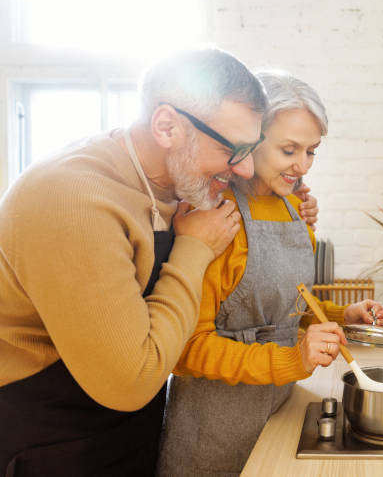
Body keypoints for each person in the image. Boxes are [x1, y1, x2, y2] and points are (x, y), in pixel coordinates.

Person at [0, 47, 319, 476]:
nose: (244, 170)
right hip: (53, 441)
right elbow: (130, 381)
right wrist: (194, 249)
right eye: (233, 150)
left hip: (132, 430)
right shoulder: (72, 199)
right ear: (166, 126)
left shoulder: (173, 182)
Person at [157, 71, 383, 476]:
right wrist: (291, 358)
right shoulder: (214, 218)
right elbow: (186, 349)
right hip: (213, 432)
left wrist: (340, 318)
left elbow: (285, 307)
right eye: (289, 150)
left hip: (280, 412)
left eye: (312, 151)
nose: (302, 166)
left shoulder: (294, 209)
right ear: (250, 138)